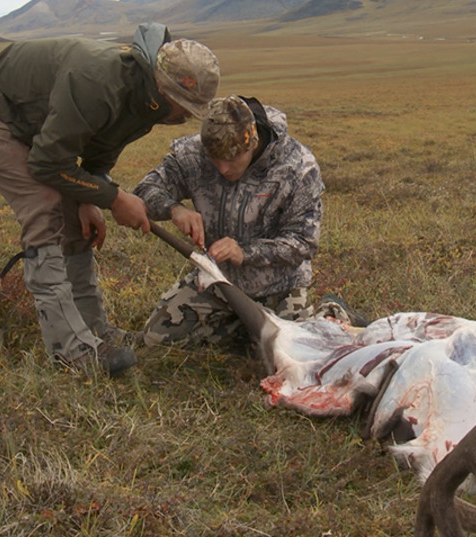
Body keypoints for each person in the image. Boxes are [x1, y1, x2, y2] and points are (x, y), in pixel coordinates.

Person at [0, 23, 220, 376]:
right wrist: (113, 198)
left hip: (37, 129)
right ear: (160, 85)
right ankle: (69, 350)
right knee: (45, 203)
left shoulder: (148, 103)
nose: (185, 115)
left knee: (74, 215)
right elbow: (47, 163)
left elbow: (99, 151)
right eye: (183, 105)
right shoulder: (99, 82)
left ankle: (92, 330)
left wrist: (89, 198)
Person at [134, 94, 331, 349]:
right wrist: (174, 209)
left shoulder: (297, 166)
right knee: (155, 340)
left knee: (295, 354)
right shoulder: (195, 153)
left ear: (253, 143)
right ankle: (249, 331)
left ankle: (330, 312)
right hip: (217, 281)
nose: (223, 169)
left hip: (278, 286)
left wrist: (244, 252)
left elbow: (304, 242)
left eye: (232, 159)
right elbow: (145, 189)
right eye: (215, 159)